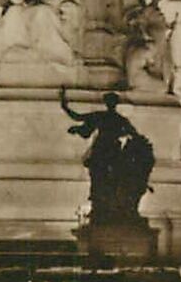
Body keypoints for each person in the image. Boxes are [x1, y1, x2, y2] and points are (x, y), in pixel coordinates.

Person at [59, 88, 150, 226]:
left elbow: (77, 117)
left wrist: (65, 107)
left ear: (106, 103)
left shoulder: (100, 116)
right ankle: (107, 206)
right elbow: (135, 135)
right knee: (111, 178)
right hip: (113, 151)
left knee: (98, 178)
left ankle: (99, 206)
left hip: (101, 151)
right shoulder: (121, 120)